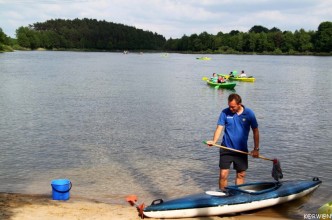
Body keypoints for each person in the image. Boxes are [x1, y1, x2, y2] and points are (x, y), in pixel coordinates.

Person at [206, 93, 260, 191]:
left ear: (240, 104)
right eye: (229, 106)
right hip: (226, 148)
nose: (231, 109)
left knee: (241, 174)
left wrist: (256, 149)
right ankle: (223, 195)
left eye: (233, 107)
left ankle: (238, 195)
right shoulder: (225, 113)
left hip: (241, 150)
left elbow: (255, 131)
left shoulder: (249, 114)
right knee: (223, 175)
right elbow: (219, 128)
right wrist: (214, 141)